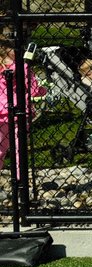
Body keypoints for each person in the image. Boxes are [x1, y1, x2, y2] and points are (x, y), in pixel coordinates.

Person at [0, 37, 45, 174]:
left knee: (1, 149)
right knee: (20, 149)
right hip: (19, 111)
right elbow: (34, 90)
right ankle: (20, 179)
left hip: (1, 113)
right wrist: (43, 90)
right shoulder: (22, 66)